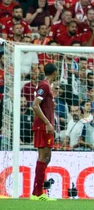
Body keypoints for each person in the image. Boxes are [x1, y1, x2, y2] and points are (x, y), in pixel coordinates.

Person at [30, 63, 58, 201]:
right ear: (55, 73)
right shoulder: (45, 85)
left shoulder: (46, 86)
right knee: (43, 157)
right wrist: (47, 122)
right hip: (43, 126)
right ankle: (38, 193)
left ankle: (37, 191)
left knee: (47, 158)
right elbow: (35, 105)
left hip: (46, 126)